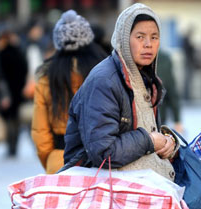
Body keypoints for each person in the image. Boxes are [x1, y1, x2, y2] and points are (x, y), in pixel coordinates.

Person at [61, 3, 178, 181]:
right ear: (124, 39)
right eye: (140, 37)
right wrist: (150, 141)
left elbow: (150, 134)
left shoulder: (145, 78)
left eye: (154, 37)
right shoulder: (104, 81)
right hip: (108, 188)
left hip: (144, 180)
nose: (148, 44)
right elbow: (103, 153)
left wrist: (168, 142)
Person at [31, 10, 107, 174]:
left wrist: (50, 160)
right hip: (99, 162)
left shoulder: (46, 77)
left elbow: (40, 131)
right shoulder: (104, 72)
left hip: (60, 158)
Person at [0, 29, 28, 157]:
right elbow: (24, 69)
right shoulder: (18, 52)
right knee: (15, 119)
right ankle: (14, 146)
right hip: (18, 91)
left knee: (10, 119)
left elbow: (0, 75)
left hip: (8, 92)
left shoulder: (2, 54)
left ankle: (11, 146)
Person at [157, 49, 183, 133]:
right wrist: (177, 120)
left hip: (158, 118)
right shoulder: (164, 58)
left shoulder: (163, 59)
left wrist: (177, 119)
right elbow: (171, 90)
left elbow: (171, 89)